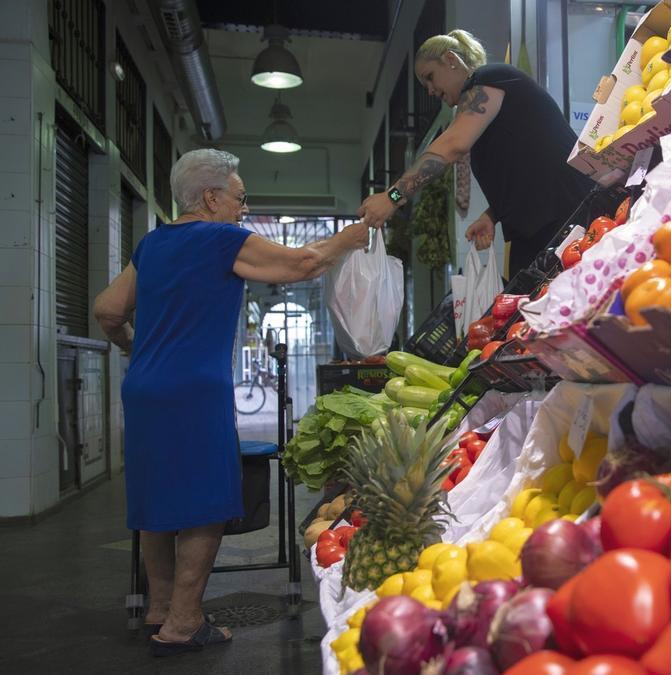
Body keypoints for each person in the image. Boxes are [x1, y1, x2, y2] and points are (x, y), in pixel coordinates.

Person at [92, 149, 378, 656]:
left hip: (143, 388)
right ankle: (183, 623)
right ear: (211, 197)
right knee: (206, 503)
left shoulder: (152, 244)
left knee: (155, 501)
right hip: (193, 390)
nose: (243, 209)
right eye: (240, 198)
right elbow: (302, 264)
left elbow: (107, 310)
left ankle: (160, 607)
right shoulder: (218, 238)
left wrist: (136, 348)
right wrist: (352, 237)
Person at [357, 29, 594, 275]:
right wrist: (492, 215)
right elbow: (526, 166)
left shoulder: (489, 77)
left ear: (450, 60)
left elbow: (453, 144)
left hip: (570, 215)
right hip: (542, 225)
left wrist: (392, 197)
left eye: (430, 77)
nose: (429, 90)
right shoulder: (481, 108)